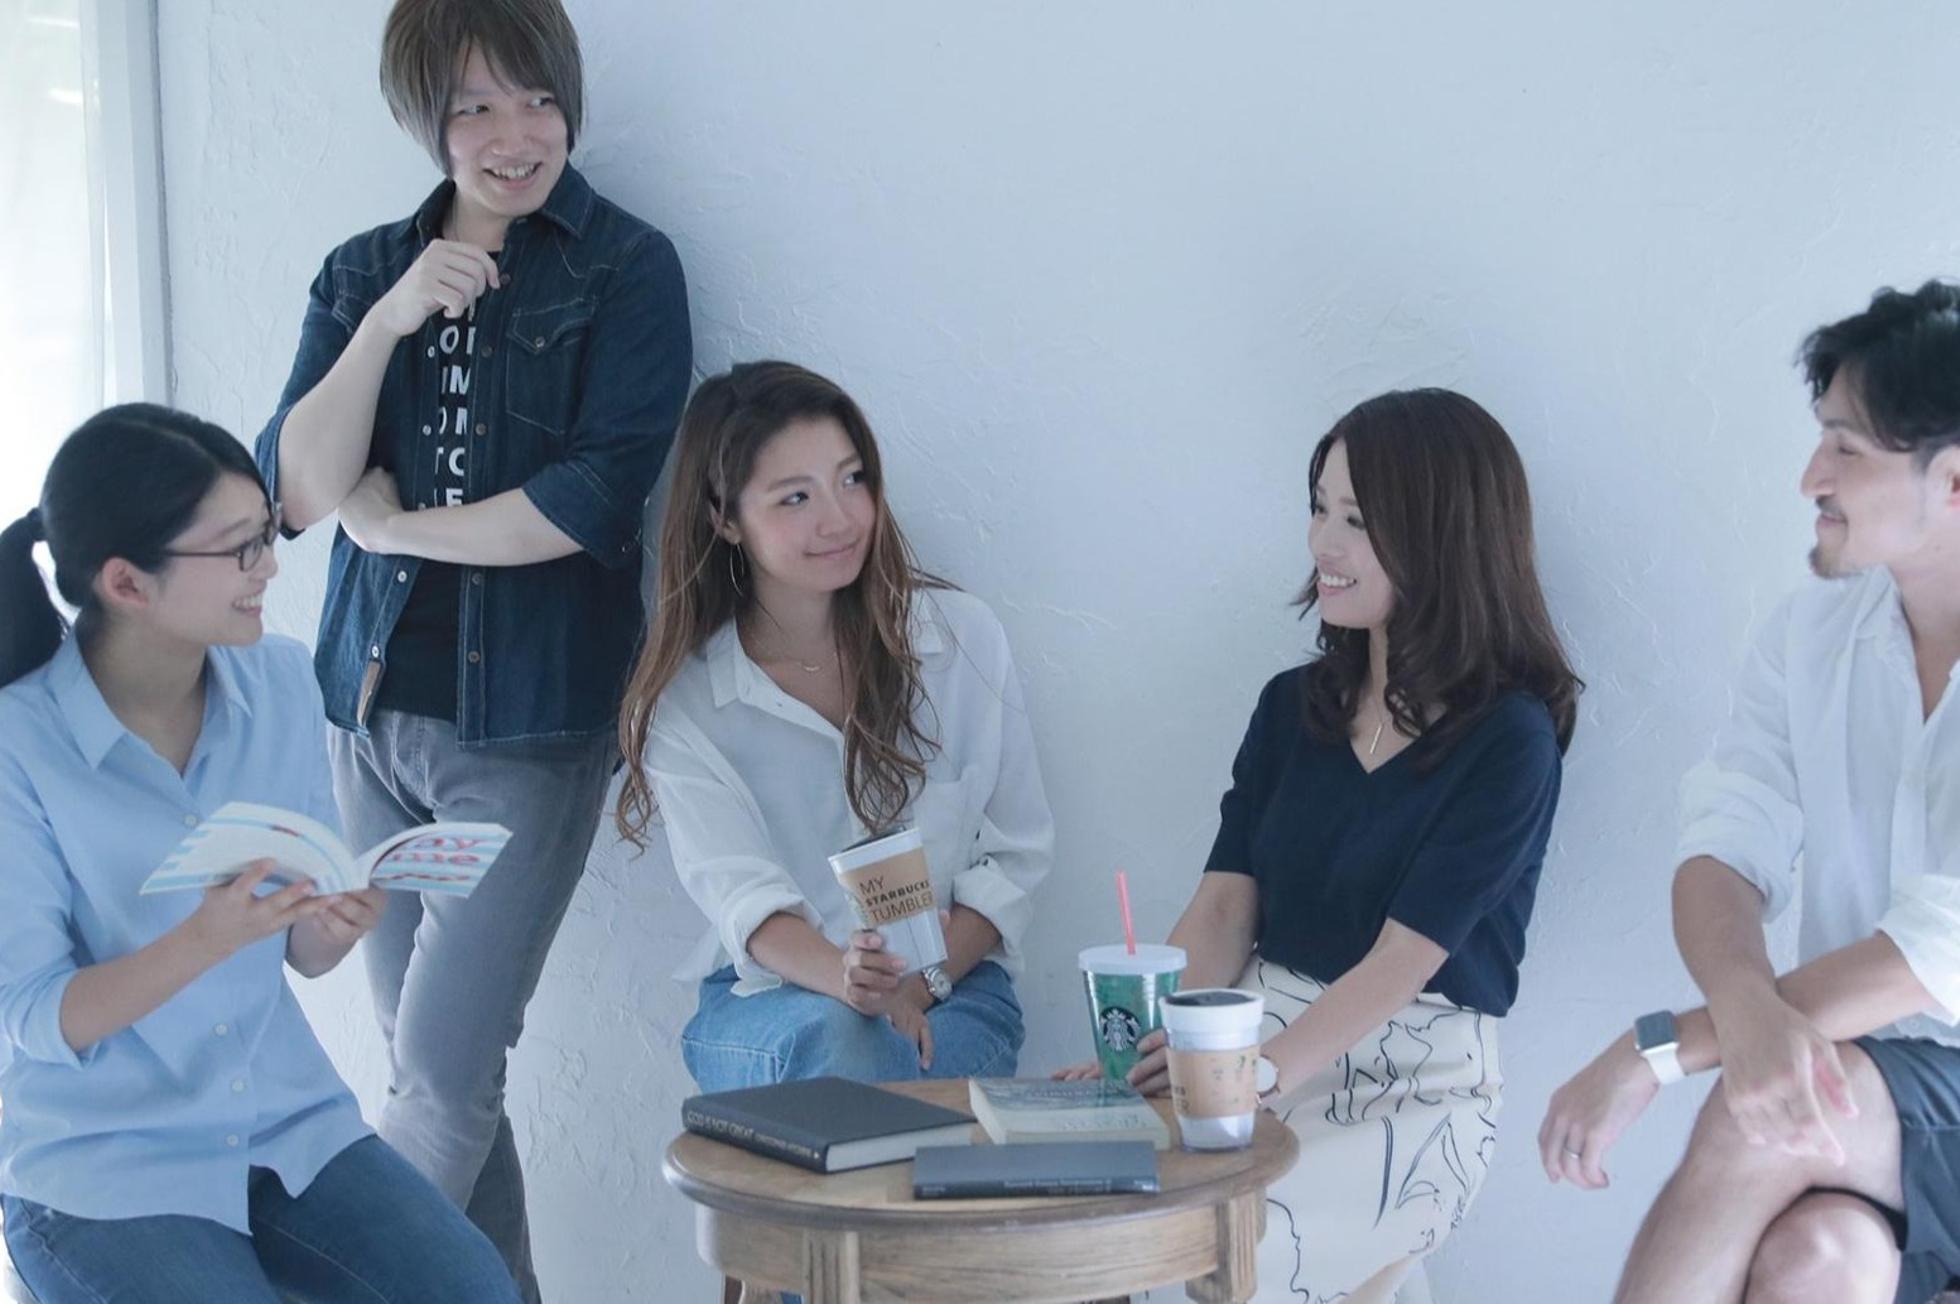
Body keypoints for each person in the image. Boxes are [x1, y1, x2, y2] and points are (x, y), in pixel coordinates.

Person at [252, 1, 690, 1294]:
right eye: (477, 107)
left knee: (440, 1084)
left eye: (540, 99)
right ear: (426, 123)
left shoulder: (623, 267)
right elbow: (296, 487)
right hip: (370, 717)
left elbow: (587, 501)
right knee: (438, 1078)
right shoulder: (363, 272)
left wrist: (401, 527)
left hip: (525, 736)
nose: (518, 134)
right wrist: (387, 321)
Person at [1064, 389, 1580, 1303]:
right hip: (1248, 1039)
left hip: (1414, 1079)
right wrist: (1156, 1043)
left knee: (1224, 1251)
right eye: (1319, 508)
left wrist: (1250, 1075)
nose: (1321, 543)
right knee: (1082, 1215)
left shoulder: (1510, 739)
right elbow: (1224, 908)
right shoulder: (1291, 707)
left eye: (1357, 521)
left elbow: (1403, 961)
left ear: (1442, 538)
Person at [0, 404, 518, 1304]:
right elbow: (36, 1016)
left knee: (474, 1287)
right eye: (239, 549)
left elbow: (302, 957)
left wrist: (333, 922)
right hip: (102, 1167)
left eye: (267, 535)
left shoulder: (279, 681)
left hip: (285, 1127)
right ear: (127, 583)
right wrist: (203, 938)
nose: (269, 567)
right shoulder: (19, 745)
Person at [1541, 281, 1960, 1304]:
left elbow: (1932, 950)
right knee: (1819, 1260)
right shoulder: (1812, 634)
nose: (1810, 477)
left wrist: (1657, 1049)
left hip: (1906, 1080)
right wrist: (1740, 1007)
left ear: (1953, 480)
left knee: (1758, 1100)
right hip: (1875, 1103)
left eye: (1845, 448)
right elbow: (1725, 846)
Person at [617, 360, 1053, 1092]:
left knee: (867, 1065)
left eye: (853, 479)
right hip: (768, 1000)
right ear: (724, 518)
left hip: (951, 990)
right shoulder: (687, 702)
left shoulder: (960, 642)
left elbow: (1014, 856)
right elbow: (744, 899)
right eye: (795, 497)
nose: (840, 519)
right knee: (841, 1043)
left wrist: (911, 989)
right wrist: (853, 985)